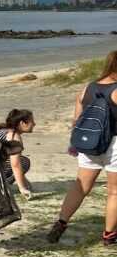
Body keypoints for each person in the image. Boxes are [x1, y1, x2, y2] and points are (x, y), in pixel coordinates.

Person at [47, 50, 117, 245]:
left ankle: (61, 223)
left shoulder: (87, 88)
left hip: (89, 143)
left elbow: (77, 120)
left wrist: (74, 143)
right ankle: (109, 235)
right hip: (114, 145)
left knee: (80, 187)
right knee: (114, 192)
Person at [0, 109, 35, 200]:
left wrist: (25, 182)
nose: (34, 124)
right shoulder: (13, 136)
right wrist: (22, 188)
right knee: (24, 162)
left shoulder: (4, 130)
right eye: (32, 121)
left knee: (21, 160)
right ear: (22, 123)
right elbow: (15, 164)